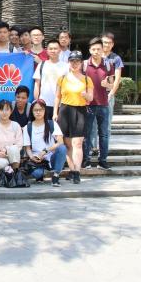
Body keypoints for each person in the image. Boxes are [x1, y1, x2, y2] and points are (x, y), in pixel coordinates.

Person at [54, 50, 93, 185]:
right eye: (72, 61)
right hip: (65, 110)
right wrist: (55, 113)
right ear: (68, 62)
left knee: (78, 143)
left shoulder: (87, 79)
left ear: (81, 63)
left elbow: (91, 98)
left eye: (77, 61)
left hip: (80, 111)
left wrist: (86, 95)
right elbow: (57, 97)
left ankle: (77, 172)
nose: (75, 64)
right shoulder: (62, 78)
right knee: (67, 144)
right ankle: (72, 170)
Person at [83, 37, 114, 170]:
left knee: (104, 134)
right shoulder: (84, 65)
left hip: (103, 104)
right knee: (87, 133)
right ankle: (86, 160)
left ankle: (103, 160)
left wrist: (107, 85)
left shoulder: (108, 65)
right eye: (93, 49)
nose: (96, 52)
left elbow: (111, 85)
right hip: (88, 104)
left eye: (98, 49)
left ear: (103, 50)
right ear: (90, 50)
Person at [23, 99, 67, 187]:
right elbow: (27, 148)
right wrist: (32, 157)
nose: (38, 112)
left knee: (62, 148)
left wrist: (46, 151)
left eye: (41, 109)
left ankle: (56, 176)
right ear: (32, 111)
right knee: (37, 174)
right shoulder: (27, 127)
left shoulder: (52, 124)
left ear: (45, 110)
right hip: (37, 159)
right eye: (35, 110)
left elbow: (60, 142)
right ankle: (41, 174)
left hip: (51, 157)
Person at [33, 39, 69, 119]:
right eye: (51, 49)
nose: (53, 51)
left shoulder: (66, 66)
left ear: (60, 50)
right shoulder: (42, 64)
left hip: (61, 104)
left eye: (55, 48)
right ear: (47, 50)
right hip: (43, 103)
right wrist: (37, 101)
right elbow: (37, 84)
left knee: (58, 126)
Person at [0, 100, 23, 175]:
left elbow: (19, 144)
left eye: (7, 109)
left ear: (11, 111)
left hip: (13, 155)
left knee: (14, 148)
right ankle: (9, 174)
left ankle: (15, 173)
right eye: (1, 109)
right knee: (1, 163)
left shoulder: (16, 125)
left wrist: (6, 151)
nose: (4, 112)